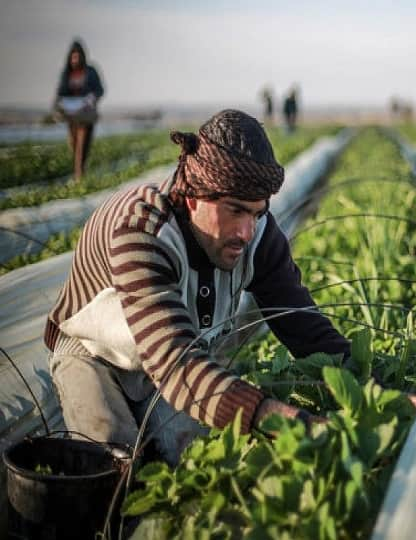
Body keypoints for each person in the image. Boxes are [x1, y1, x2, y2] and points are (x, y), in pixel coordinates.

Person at [44, 110, 351, 466]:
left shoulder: (258, 236)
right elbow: (177, 364)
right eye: (235, 211)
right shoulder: (143, 233)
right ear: (193, 198)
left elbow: (304, 327)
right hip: (95, 352)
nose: (246, 232)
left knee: (198, 454)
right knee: (114, 460)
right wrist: (288, 421)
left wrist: (374, 388)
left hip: (177, 351)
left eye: (256, 212)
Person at [54, 39, 104, 180]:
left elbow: (100, 89)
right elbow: (60, 93)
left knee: (82, 147)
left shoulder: (90, 71)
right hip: (72, 116)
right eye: (73, 57)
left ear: (82, 56)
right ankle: (78, 175)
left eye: (77, 57)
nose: (75, 60)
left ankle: (79, 177)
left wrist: (91, 97)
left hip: (86, 115)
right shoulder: (67, 73)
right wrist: (59, 107)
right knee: (74, 145)